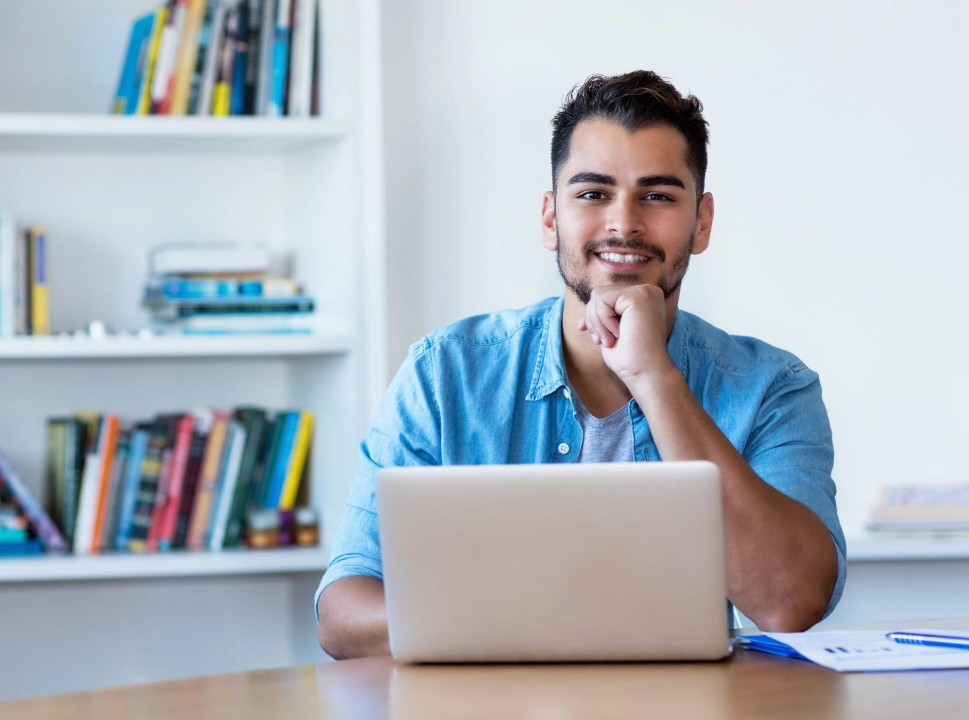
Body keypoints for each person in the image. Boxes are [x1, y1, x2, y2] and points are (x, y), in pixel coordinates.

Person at [315, 70, 845, 660]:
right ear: (550, 218)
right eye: (593, 194)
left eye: (659, 195)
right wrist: (530, 615)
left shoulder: (773, 387)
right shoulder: (445, 374)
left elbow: (790, 602)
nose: (624, 223)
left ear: (701, 222)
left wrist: (654, 377)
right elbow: (342, 613)